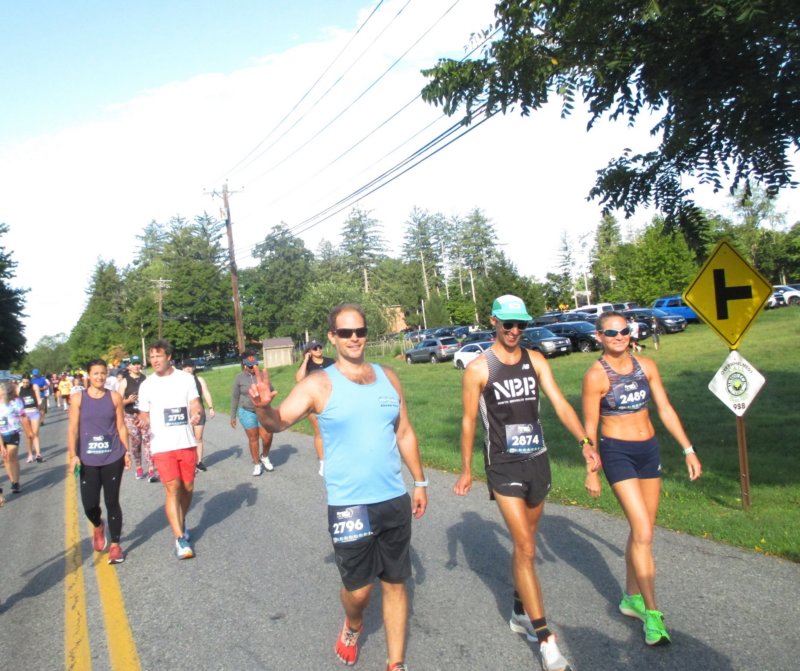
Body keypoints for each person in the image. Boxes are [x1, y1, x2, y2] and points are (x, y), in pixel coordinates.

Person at [249, 304, 427, 671]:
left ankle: (396, 663)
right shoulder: (318, 384)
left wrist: (420, 481)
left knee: (395, 583)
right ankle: (353, 623)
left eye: (360, 331)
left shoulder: (388, 377)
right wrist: (264, 409)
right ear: (332, 336)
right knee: (359, 592)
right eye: (345, 332)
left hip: (393, 499)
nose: (354, 338)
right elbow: (278, 422)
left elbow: (405, 432)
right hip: (349, 505)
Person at [455, 295, 601, 671]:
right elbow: (469, 421)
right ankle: (546, 640)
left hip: (537, 461)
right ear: (493, 322)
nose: (515, 330)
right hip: (503, 465)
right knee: (525, 546)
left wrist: (585, 442)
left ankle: (520, 611)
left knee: (526, 548)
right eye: (508, 324)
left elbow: (560, 403)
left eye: (521, 324)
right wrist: (467, 468)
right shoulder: (478, 369)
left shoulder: (535, 360)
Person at [582, 311, 702, 646]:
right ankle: (652, 614)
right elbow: (589, 427)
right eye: (611, 332)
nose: (619, 336)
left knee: (642, 530)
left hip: (649, 451)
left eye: (623, 330)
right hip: (617, 453)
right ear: (599, 337)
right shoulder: (595, 376)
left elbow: (665, 409)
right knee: (644, 532)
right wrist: (591, 471)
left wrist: (688, 449)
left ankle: (631, 597)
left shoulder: (646, 366)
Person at [136, 339, 202, 560]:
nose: (154, 360)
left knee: (188, 487)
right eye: (152, 357)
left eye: (159, 356)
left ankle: (181, 521)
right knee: (172, 488)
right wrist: (143, 421)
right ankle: (180, 539)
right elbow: (143, 413)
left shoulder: (186, 379)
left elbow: (195, 402)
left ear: (169, 357)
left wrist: (196, 413)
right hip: (162, 445)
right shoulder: (146, 385)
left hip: (185, 441)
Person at [67, 359, 131, 564]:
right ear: (89, 375)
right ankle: (98, 524)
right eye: (96, 373)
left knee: (112, 501)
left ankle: (115, 545)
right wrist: (73, 455)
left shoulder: (114, 397)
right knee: (89, 505)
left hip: (113, 456)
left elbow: (121, 427)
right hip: (87, 459)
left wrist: (126, 452)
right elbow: (73, 429)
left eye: (103, 373)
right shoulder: (78, 398)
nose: (100, 377)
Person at [295, 339, 334, 476]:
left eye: (319, 347)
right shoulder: (307, 365)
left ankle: (336, 457)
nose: (318, 350)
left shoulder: (331, 362)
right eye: (314, 348)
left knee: (335, 430)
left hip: (332, 401)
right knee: (320, 432)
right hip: (314, 404)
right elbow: (299, 379)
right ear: (309, 351)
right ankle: (323, 462)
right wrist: (306, 360)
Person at [230, 352, 274, 476]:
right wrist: (233, 416)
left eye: (255, 364)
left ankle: (265, 457)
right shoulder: (239, 378)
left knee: (267, 436)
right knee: (253, 438)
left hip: (263, 411)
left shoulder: (262, 376)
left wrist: (267, 391)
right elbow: (235, 397)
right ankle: (256, 464)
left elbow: (271, 391)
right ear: (244, 365)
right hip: (247, 411)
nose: (253, 367)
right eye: (250, 366)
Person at [118, 355, 156, 481]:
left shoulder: (146, 379)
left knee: (148, 441)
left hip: (144, 415)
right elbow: (117, 402)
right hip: (130, 416)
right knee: (136, 443)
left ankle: (151, 469)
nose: (136, 366)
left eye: (138, 363)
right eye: (134, 364)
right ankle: (139, 467)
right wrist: (128, 400)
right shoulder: (124, 382)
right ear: (129, 366)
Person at [181, 359, 215, 472]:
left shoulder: (199, 380)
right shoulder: (179, 381)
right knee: (187, 438)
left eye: (190, 366)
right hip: (184, 412)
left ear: (194, 368)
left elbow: (206, 392)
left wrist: (211, 407)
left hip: (198, 411)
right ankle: (189, 462)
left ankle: (199, 461)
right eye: (185, 367)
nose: (188, 369)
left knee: (198, 437)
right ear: (182, 368)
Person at [0, 382, 26, 494]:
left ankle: (16, 482)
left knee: (12, 456)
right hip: (1, 434)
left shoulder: (15, 401)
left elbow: (23, 416)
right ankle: (12, 481)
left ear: (5, 391)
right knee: (6, 458)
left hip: (13, 431)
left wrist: (28, 430)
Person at [18, 375, 44, 463]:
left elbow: (38, 398)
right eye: (24, 382)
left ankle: (38, 454)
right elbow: (17, 400)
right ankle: (29, 454)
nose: (25, 384)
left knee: (35, 433)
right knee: (29, 435)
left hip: (34, 412)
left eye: (27, 382)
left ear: (30, 381)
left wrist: (40, 407)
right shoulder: (19, 387)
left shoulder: (34, 386)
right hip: (24, 414)